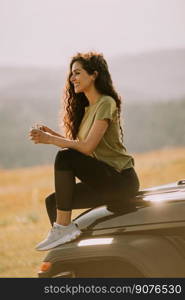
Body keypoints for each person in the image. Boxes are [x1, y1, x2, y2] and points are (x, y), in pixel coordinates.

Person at [29, 51, 140, 251]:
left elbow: (87, 148)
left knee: (65, 157)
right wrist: (51, 135)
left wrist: (52, 140)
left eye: (77, 73)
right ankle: (70, 252)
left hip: (121, 180)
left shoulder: (106, 102)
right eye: (72, 74)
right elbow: (79, 146)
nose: (72, 78)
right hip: (103, 180)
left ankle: (63, 228)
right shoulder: (88, 110)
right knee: (53, 202)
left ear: (94, 75)